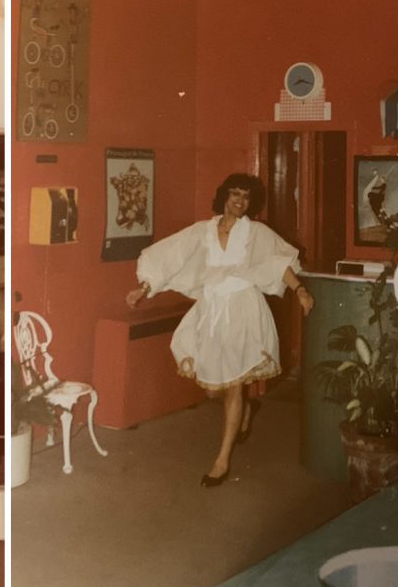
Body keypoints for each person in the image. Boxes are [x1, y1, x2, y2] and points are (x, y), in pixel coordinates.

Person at [126, 174, 314, 487]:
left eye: (246, 197)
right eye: (235, 194)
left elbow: (278, 263)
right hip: (211, 310)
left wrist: (300, 291)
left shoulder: (256, 232)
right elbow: (170, 257)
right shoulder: (203, 231)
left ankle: (221, 460)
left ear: (251, 203)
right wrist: (143, 288)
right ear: (224, 197)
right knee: (213, 388)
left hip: (243, 309)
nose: (239, 201)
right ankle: (246, 410)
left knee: (235, 385)